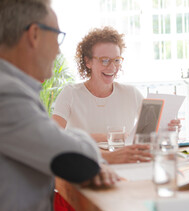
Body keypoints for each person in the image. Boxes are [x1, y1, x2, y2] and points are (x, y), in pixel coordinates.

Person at [0, 0, 120, 211]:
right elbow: (77, 161)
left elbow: (63, 147)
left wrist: (69, 140)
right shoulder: (7, 95)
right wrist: (84, 150)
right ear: (34, 35)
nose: (57, 50)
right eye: (57, 37)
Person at [52, 26, 180, 164]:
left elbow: (149, 135)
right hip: (86, 165)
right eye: (105, 60)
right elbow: (54, 137)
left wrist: (169, 129)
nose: (112, 67)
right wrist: (107, 137)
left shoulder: (131, 94)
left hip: (126, 165)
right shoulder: (71, 94)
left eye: (117, 60)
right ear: (88, 61)